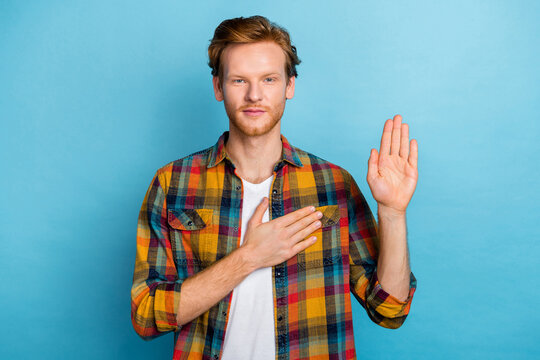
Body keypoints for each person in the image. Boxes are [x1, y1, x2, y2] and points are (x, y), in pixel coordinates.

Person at [131, 15, 418, 360]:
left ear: (289, 85)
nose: (254, 95)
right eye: (239, 80)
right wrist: (249, 257)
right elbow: (146, 316)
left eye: (269, 79)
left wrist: (392, 213)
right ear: (218, 87)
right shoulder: (172, 183)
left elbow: (389, 310)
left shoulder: (334, 186)